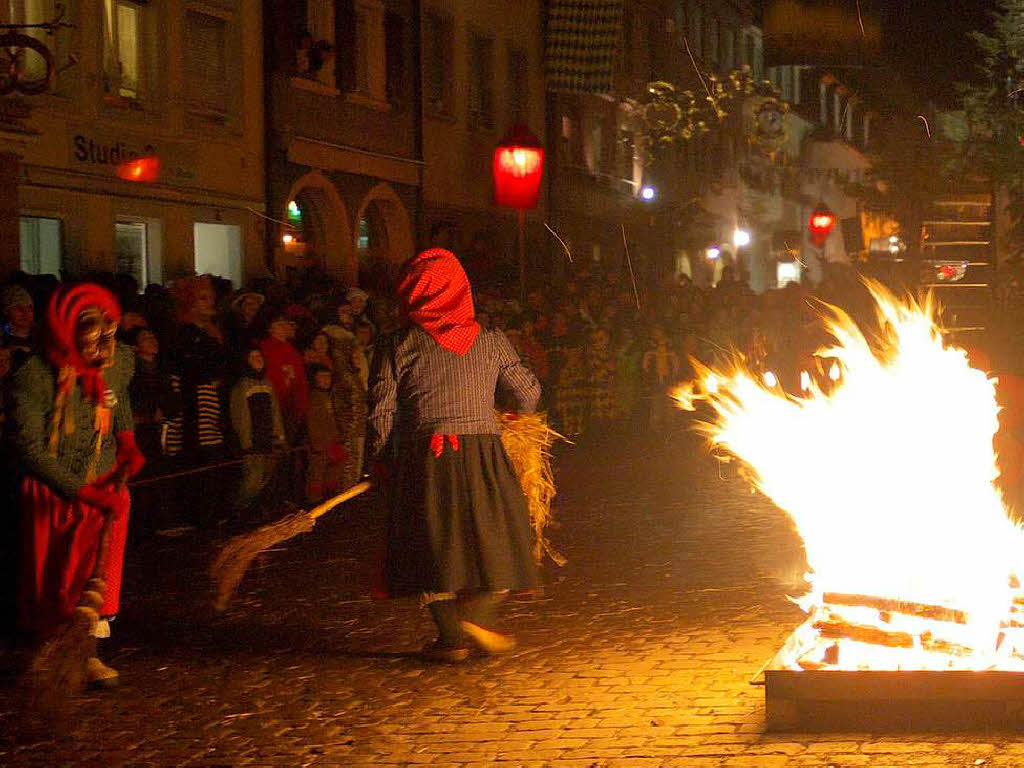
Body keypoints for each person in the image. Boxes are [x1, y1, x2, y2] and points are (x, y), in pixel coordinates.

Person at [367, 248, 541, 662]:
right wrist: (514, 419)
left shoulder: (398, 344)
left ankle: (452, 636)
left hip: (423, 459)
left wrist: (381, 460)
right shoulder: (491, 339)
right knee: (498, 536)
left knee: (430, 546)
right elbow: (529, 392)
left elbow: (381, 412)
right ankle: (474, 616)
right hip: (483, 454)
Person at [8, 284, 145, 687]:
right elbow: (31, 449)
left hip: (107, 488)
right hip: (54, 494)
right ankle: (49, 652)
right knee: (54, 578)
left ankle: (87, 654)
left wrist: (128, 442)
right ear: (67, 329)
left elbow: (119, 404)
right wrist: (82, 491)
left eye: (110, 328)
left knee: (98, 575)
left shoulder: (117, 362)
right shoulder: (33, 376)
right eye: (92, 328)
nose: (104, 339)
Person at [230, 347, 286, 517]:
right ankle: (237, 508)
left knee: (266, 478)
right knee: (252, 481)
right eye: (252, 356)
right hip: (253, 441)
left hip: (268, 439)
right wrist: (246, 442)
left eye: (259, 356)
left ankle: (255, 511)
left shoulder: (267, 384)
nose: (257, 359)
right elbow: (241, 415)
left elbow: (275, 411)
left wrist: (279, 436)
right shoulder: (242, 386)